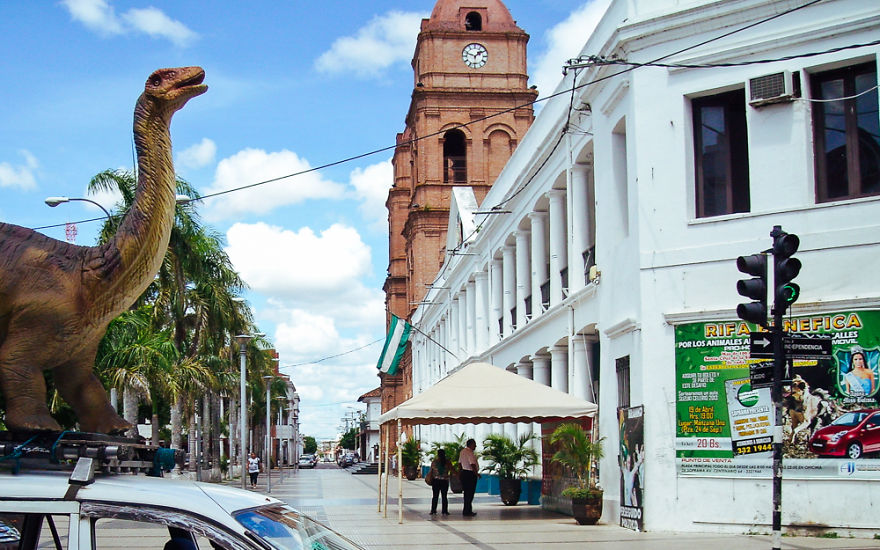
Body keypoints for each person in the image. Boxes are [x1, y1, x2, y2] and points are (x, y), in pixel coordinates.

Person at [458, 438, 479, 516]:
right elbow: (472, 464)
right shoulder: (469, 452)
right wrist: (476, 473)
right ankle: (467, 511)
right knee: (470, 493)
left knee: (466, 493)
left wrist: (460, 473)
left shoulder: (462, 452)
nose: (475, 446)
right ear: (471, 444)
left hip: (464, 473)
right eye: (474, 444)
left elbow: (459, 463)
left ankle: (466, 510)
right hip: (470, 474)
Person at [428, 449, 450, 516]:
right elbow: (452, 470)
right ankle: (444, 511)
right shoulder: (447, 462)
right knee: (444, 496)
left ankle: (433, 510)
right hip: (444, 481)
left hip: (436, 481)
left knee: (435, 496)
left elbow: (431, 471)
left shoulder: (434, 462)